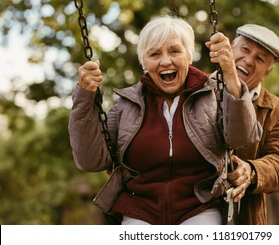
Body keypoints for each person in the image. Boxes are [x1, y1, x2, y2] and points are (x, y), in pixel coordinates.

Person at [68, 15, 262, 225]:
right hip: (139, 210)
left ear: (188, 56)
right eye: (154, 54)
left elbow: (242, 137)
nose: (165, 61)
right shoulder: (126, 105)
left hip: (200, 208)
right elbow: (91, 161)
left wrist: (230, 74)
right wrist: (85, 96)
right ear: (145, 62)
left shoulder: (212, 94)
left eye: (174, 51)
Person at [206, 24, 279, 225]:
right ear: (231, 48)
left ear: (268, 72)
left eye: (260, 59)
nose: (249, 60)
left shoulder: (276, 110)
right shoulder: (194, 88)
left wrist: (251, 171)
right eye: (245, 49)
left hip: (243, 220)